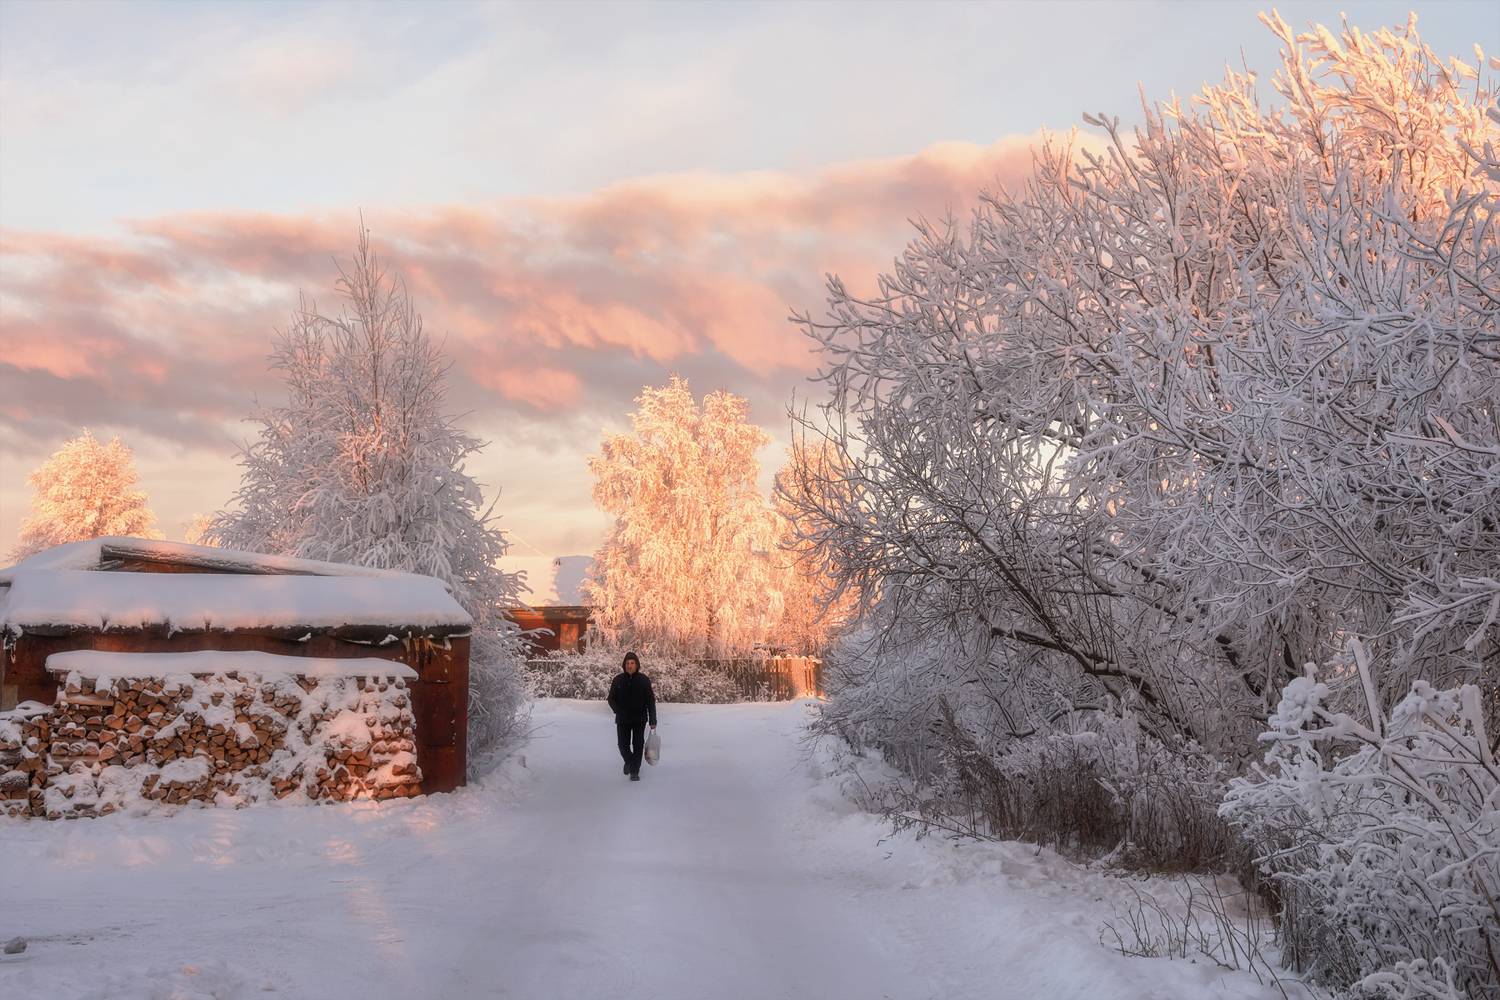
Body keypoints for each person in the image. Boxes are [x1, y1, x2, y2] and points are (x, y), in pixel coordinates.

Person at [607, 651, 657, 781]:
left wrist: (653, 720)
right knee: (622, 745)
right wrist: (618, 710)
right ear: (624, 665)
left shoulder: (644, 680)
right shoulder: (618, 680)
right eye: (627, 663)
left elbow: (650, 701)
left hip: (639, 719)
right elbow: (611, 699)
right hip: (622, 719)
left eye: (632, 663)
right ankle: (629, 762)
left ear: (637, 665)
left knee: (638, 745)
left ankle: (634, 771)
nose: (630, 665)